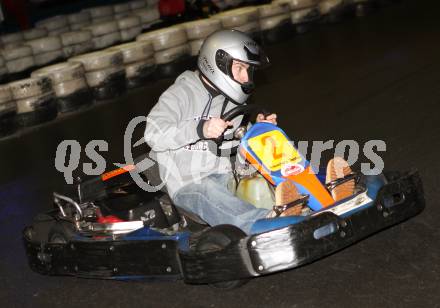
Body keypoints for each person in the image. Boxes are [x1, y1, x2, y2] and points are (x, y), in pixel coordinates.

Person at [144, 30, 354, 234]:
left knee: (269, 162)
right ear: (217, 63)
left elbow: (232, 147)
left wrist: (258, 132)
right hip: (189, 182)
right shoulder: (181, 94)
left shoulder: (230, 101)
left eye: (248, 70)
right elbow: (153, 132)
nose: (246, 78)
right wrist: (200, 128)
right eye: (240, 69)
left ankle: (321, 194)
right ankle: (265, 221)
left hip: (229, 173)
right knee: (207, 191)